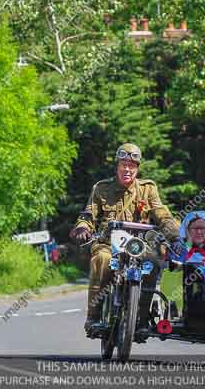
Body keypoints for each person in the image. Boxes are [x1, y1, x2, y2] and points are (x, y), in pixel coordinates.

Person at [70, 143, 179, 334]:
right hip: (107, 244)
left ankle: (142, 320)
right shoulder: (101, 189)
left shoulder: (148, 189)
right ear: (117, 166)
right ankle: (93, 318)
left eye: (132, 165)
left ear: (137, 168)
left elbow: (162, 214)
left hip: (139, 246)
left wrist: (175, 236)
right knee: (101, 260)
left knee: (153, 263)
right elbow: (88, 215)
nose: (127, 169)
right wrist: (82, 228)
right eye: (123, 164)